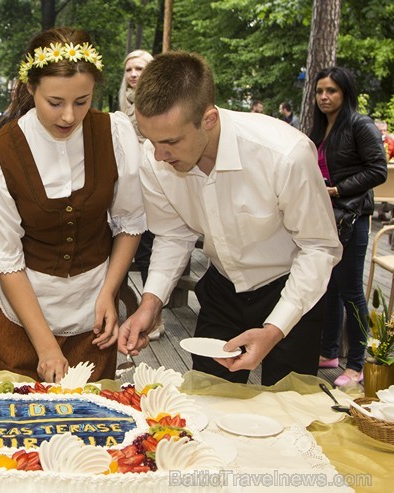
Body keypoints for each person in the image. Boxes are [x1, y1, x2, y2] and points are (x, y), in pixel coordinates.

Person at [119, 51, 342, 386]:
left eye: (170, 142)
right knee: (208, 400)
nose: (159, 156)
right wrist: (151, 302)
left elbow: (319, 248)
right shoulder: (155, 160)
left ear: (208, 119)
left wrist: (274, 327)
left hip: (292, 289)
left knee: (290, 406)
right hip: (221, 289)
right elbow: (172, 235)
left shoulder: (285, 155)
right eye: (151, 141)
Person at [0, 28, 146, 383]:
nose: (69, 116)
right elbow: (6, 260)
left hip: (93, 310)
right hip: (16, 316)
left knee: (90, 423)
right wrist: (46, 345)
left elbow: (129, 222)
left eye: (82, 101)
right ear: (30, 88)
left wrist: (109, 293)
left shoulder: (116, 133)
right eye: (55, 102)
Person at [311, 67, 388, 387]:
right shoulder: (320, 128)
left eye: (331, 91)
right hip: (325, 218)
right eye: (319, 91)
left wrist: (338, 189)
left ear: (345, 93)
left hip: (352, 218)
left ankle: (356, 364)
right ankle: (329, 351)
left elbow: (378, 170)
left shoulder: (359, 124)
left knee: (352, 290)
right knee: (328, 288)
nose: (324, 97)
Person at [117, 49, 164, 341]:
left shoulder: (160, 103)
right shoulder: (124, 105)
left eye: (140, 69)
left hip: (154, 187)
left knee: (149, 254)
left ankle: (155, 318)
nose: (134, 74)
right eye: (129, 69)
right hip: (128, 187)